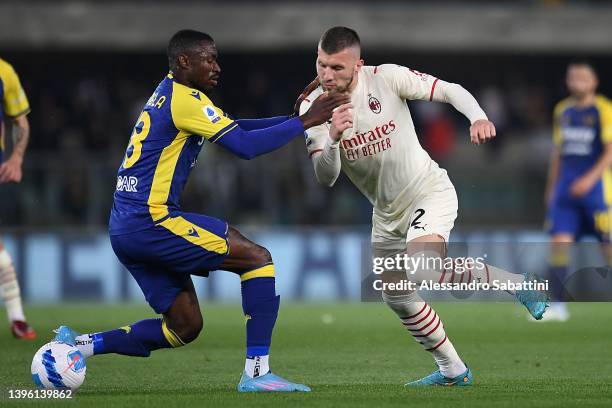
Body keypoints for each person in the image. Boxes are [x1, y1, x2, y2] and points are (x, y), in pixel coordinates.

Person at [52, 29, 348, 392]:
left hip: (125, 226)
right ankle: (257, 374)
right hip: (151, 220)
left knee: (184, 326)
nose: (217, 67)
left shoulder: (168, 93)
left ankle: (77, 345)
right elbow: (243, 147)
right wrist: (303, 122)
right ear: (184, 62)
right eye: (209, 59)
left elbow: (235, 129)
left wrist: (291, 119)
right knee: (257, 259)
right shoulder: (186, 100)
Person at [299, 26, 548, 387]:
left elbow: (449, 90)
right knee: (396, 294)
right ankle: (453, 370)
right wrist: (334, 138)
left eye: (337, 67)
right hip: (385, 214)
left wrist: (477, 116)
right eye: (322, 65)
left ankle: (521, 284)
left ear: (359, 65)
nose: (326, 75)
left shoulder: (387, 79)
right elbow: (325, 176)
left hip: (427, 191)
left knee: (424, 267)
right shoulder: (313, 107)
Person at [544, 61, 612, 321]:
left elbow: (610, 152)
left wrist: (589, 179)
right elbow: (558, 153)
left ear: (593, 82)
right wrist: (551, 189)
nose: (576, 82)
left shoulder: (604, 110)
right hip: (566, 193)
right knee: (558, 244)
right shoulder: (563, 110)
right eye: (572, 78)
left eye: (582, 78)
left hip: (597, 192)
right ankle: (557, 307)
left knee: (607, 248)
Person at [0, 57, 36, 340]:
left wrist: (17, 157)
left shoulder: (5, 72)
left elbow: (20, 120)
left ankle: (18, 319)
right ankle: (18, 319)